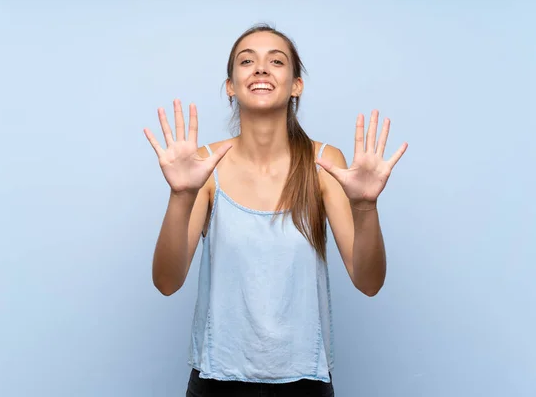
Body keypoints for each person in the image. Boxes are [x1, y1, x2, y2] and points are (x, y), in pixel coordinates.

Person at [144, 23, 407, 397]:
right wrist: (180, 195)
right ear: (231, 86)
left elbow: (369, 282)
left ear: (296, 85)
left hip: (305, 383)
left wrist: (365, 206)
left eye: (277, 61)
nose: (261, 68)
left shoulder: (324, 163)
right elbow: (166, 283)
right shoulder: (204, 165)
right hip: (216, 382)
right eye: (247, 60)